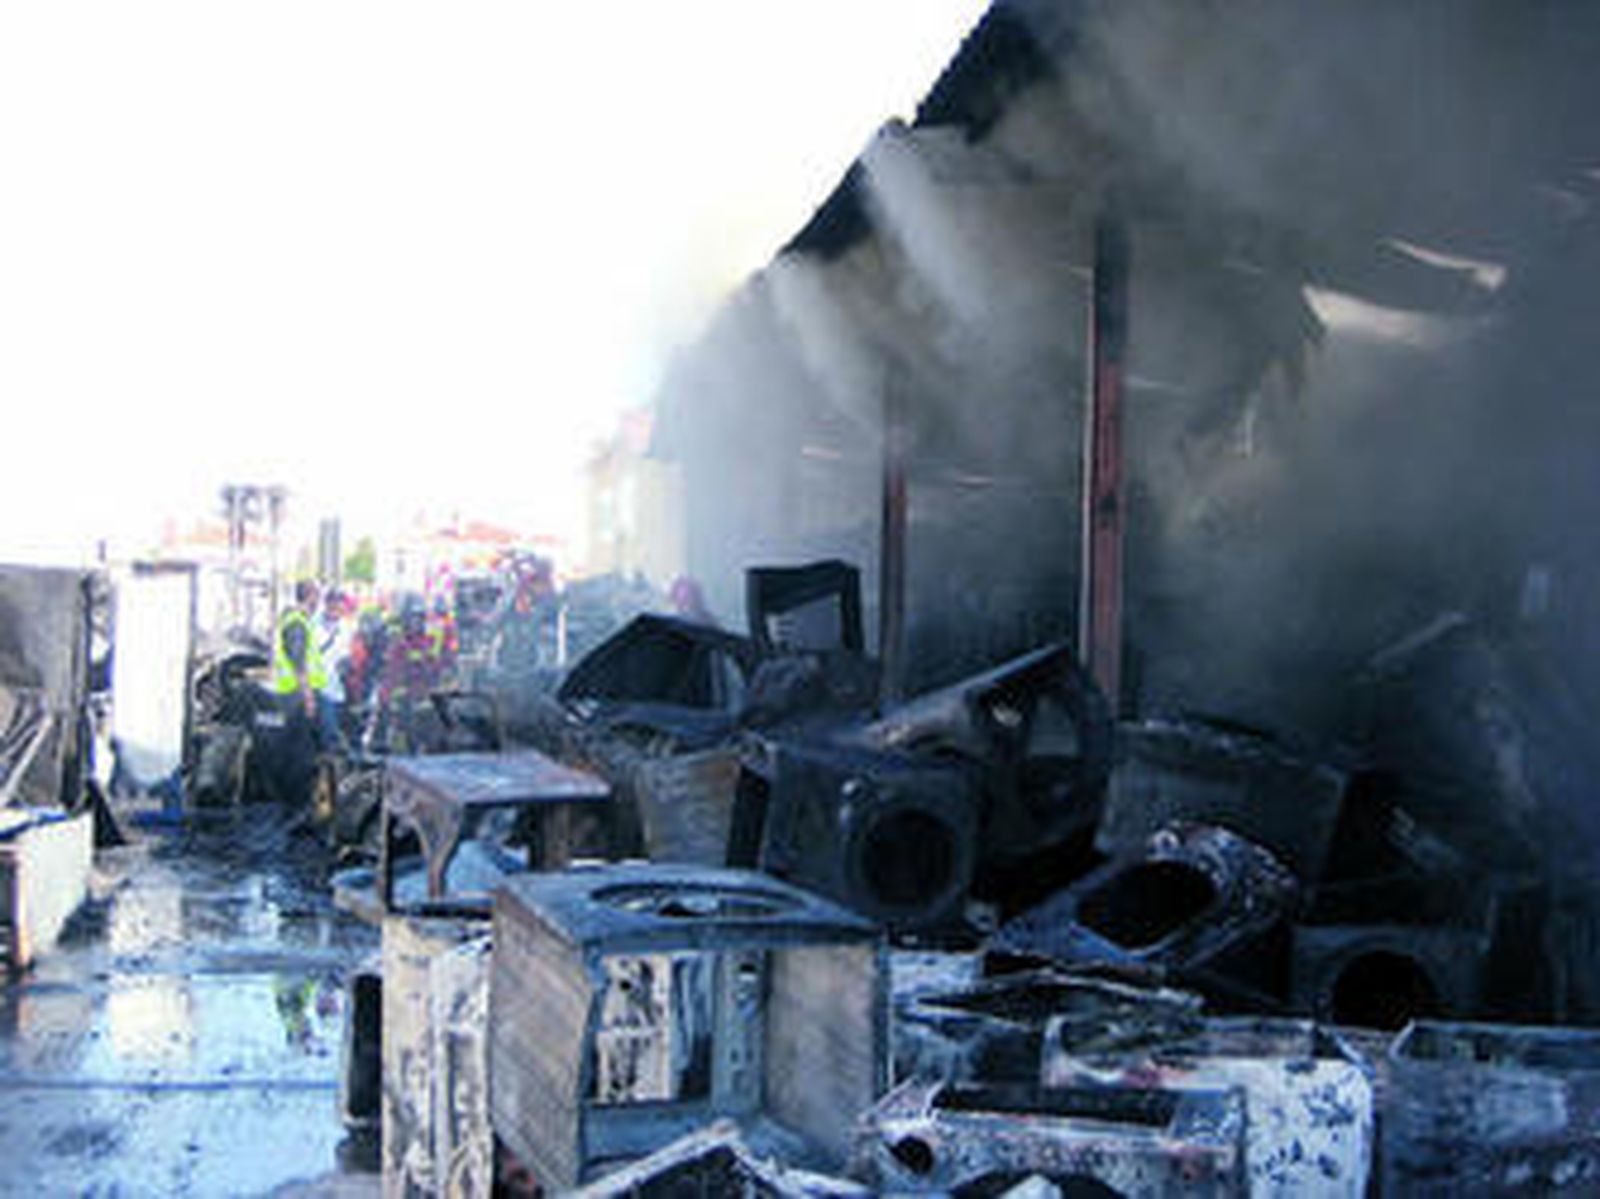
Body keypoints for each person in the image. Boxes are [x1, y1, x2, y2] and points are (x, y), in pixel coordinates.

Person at [274, 579, 329, 739]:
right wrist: (308, 697)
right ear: (310, 596)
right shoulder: (297, 623)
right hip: (296, 694)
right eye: (317, 596)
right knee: (301, 743)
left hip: (295, 692)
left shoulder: (299, 621)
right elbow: (299, 662)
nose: (319, 601)